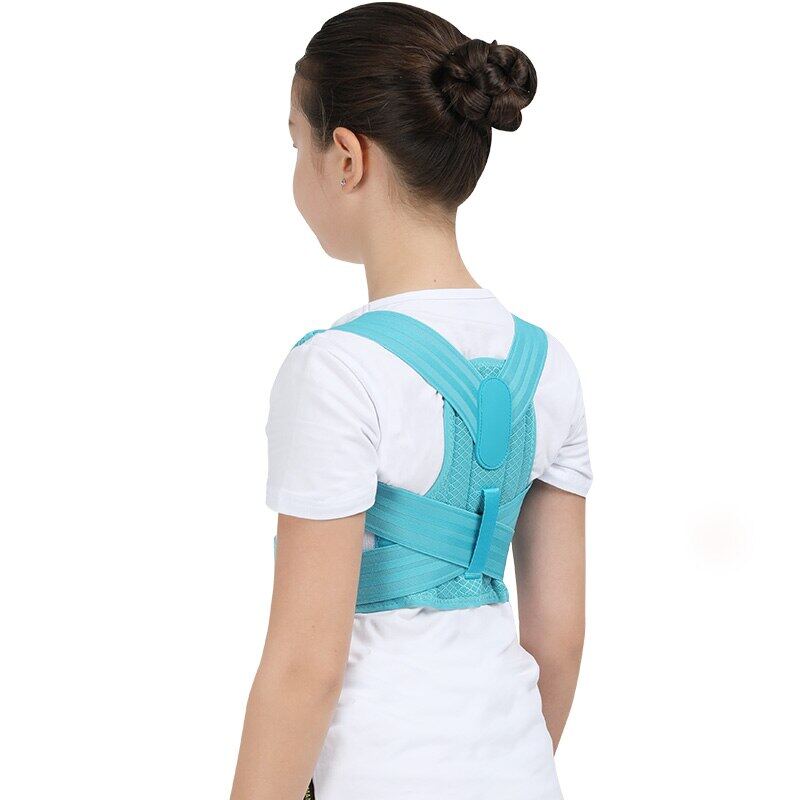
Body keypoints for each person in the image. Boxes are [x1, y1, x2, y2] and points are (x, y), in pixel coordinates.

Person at [230, 4, 592, 799]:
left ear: (346, 158)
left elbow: (304, 669)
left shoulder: (338, 371)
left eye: (296, 144)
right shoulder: (550, 368)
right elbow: (559, 641)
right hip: (522, 773)